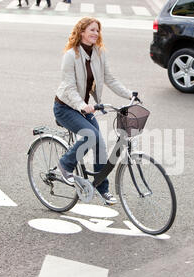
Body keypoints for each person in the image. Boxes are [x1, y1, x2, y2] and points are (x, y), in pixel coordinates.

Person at [53, 17, 134, 205]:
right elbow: (69, 87)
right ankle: (64, 166)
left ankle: (101, 187)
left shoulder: (99, 53)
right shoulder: (70, 55)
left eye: (98, 30)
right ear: (81, 32)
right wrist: (82, 105)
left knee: (100, 145)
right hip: (65, 107)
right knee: (90, 135)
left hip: (84, 107)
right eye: (92, 30)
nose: (96, 34)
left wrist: (129, 94)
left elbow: (109, 78)